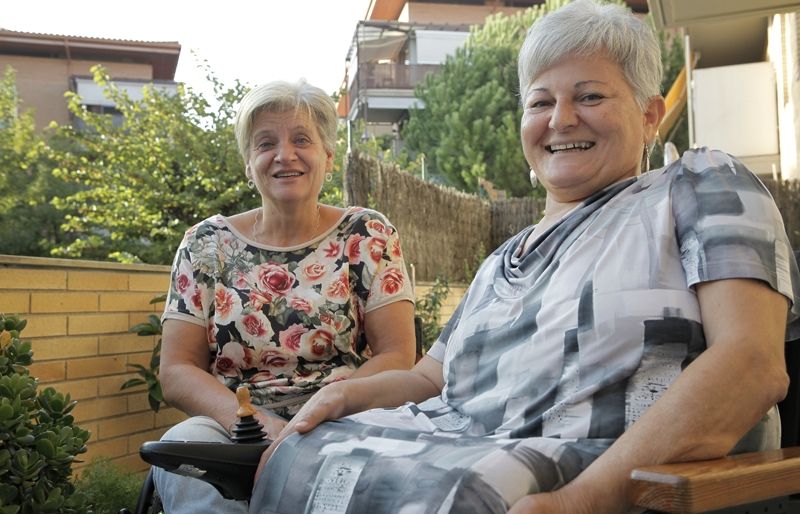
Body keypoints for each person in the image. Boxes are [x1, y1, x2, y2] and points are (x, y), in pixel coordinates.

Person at [247, 2, 800, 513]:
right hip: (461, 448)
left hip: (609, 472)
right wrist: (340, 395)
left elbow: (750, 365)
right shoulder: (504, 260)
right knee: (306, 449)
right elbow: (426, 382)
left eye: (589, 96)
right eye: (540, 102)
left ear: (650, 115)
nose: (561, 119)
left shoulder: (696, 189)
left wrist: (582, 500)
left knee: (469, 493)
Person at [153, 79, 417, 513]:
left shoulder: (366, 234)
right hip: (234, 425)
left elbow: (397, 354)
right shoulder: (206, 244)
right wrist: (261, 426)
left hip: (343, 415)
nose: (284, 155)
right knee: (181, 452)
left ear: (328, 158)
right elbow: (177, 370)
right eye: (265, 143)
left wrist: (316, 415)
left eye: (301, 140)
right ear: (248, 163)